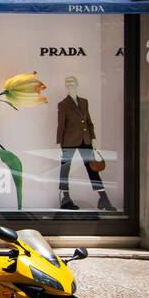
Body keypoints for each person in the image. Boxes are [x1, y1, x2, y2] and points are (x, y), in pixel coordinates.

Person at [56, 75, 114, 212]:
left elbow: (89, 122)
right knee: (65, 169)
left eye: (72, 81)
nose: (70, 83)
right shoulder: (63, 104)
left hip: (85, 139)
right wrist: (60, 144)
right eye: (67, 82)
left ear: (77, 83)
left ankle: (104, 198)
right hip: (69, 141)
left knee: (93, 169)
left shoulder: (84, 102)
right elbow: (61, 125)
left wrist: (93, 138)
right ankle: (65, 198)